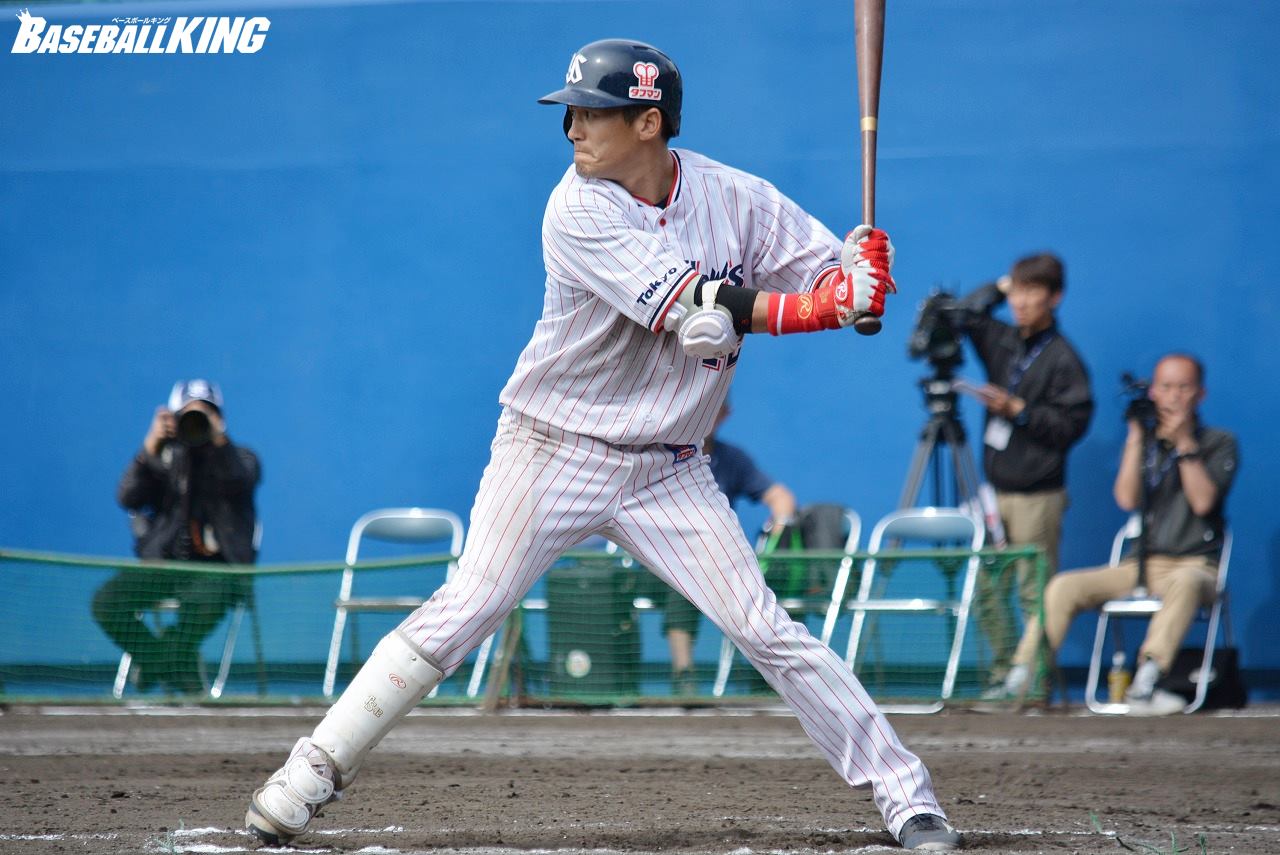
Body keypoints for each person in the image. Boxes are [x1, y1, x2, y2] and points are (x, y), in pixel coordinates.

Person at [244, 39, 960, 851]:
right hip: (552, 448)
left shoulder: (737, 198)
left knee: (765, 626)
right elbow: (702, 303)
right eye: (573, 112)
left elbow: (823, 275)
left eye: (593, 112)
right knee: (468, 605)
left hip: (670, 469)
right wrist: (825, 306)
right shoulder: (575, 207)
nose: (574, 128)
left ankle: (909, 797)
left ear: (649, 123)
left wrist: (859, 272)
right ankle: (307, 773)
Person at [1001, 354, 1236, 714]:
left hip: (1194, 564)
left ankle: (1148, 680)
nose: (1173, 397)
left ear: (1200, 393)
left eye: (1183, 387)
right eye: (1165, 387)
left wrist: (1186, 444)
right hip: (1140, 564)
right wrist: (1135, 439)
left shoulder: (1219, 442)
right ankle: (1022, 678)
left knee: (1186, 582)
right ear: (1153, 391)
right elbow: (1126, 497)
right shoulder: (1147, 443)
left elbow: (1203, 503)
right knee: (1064, 586)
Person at [954, 254, 1093, 695]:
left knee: (1035, 592)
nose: (1021, 301)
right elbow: (966, 314)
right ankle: (1002, 673)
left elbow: (1072, 426)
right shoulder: (1004, 339)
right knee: (988, 588)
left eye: (1033, 291)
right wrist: (1001, 283)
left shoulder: (1063, 358)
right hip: (995, 491)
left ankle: (1032, 681)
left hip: (1038, 493)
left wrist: (1020, 412)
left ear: (1055, 298)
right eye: (1017, 290)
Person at [92, 380, 261, 694]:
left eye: (206, 413)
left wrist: (218, 442)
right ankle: (175, 664)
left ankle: (156, 665)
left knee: (205, 601)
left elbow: (241, 480)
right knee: (106, 601)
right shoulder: (164, 458)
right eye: (188, 414)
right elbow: (127, 497)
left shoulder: (241, 457)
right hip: (163, 567)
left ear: (219, 419)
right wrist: (149, 447)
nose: (196, 421)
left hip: (218, 572)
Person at [663, 399, 797, 693]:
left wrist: (781, 523)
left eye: (714, 409)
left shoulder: (732, 459)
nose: (705, 417)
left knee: (766, 583)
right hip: (663, 563)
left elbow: (781, 497)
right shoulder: (661, 453)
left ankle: (768, 680)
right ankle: (683, 676)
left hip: (715, 565)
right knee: (683, 578)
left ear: (725, 414)